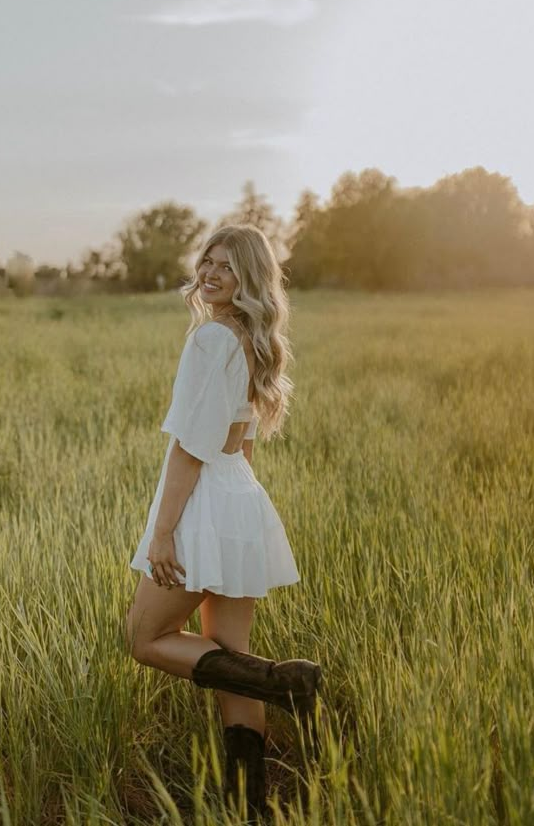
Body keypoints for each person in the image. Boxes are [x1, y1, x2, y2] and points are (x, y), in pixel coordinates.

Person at [126, 224, 322, 821]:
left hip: (204, 501)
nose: (210, 273)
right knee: (228, 652)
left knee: (144, 638)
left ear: (249, 278)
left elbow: (191, 448)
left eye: (227, 267)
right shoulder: (256, 337)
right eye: (206, 261)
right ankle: (248, 805)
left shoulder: (212, 338)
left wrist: (163, 533)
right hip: (240, 496)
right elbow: (241, 444)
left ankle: (283, 680)